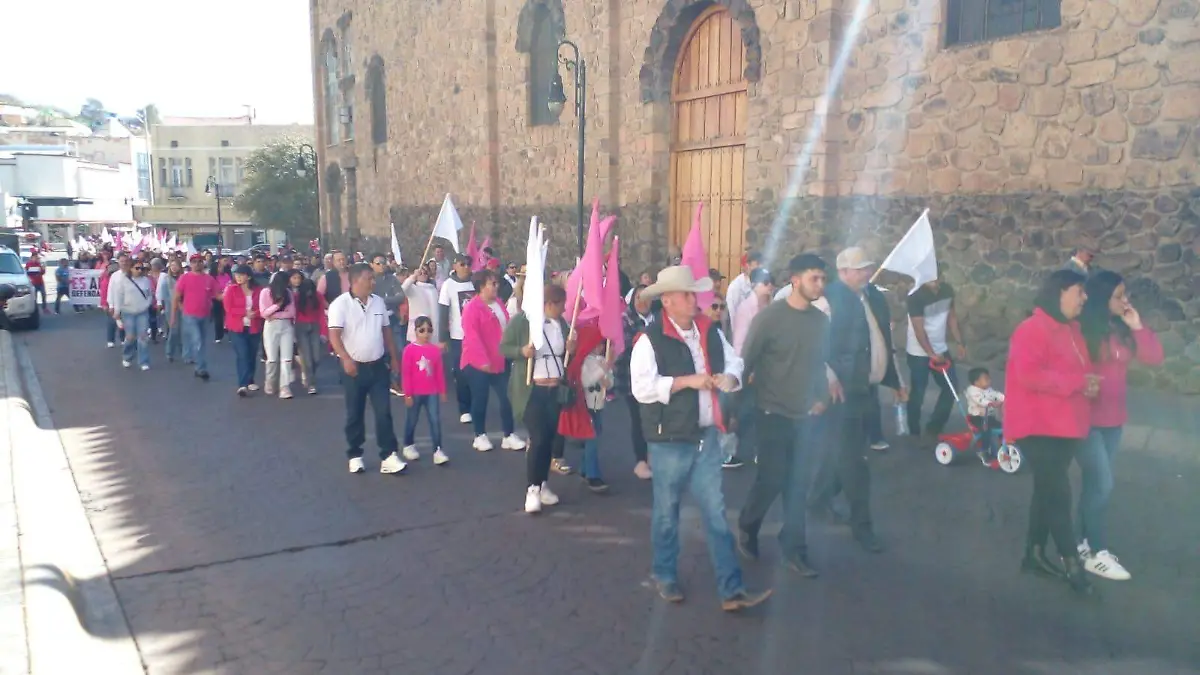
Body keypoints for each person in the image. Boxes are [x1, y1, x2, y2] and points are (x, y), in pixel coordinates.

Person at [629, 266, 770, 612]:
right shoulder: (649, 340)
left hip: (706, 436)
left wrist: (730, 379)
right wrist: (684, 382)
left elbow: (736, 362)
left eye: (695, 293)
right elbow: (642, 389)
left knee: (716, 514)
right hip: (670, 440)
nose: (695, 300)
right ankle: (665, 575)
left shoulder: (708, 330)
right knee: (667, 513)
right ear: (668, 300)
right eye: (688, 294)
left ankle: (731, 589)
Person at [735, 254, 830, 577]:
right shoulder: (770, 319)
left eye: (822, 278)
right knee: (773, 478)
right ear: (795, 279)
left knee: (798, 484)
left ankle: (794, 549)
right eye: (814, 278)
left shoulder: (820, 321)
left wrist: (821, 397)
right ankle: (747, 524)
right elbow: (745, 363)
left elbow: (818, 364)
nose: (820, 284)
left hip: (805, 416)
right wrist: (732, 409)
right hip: (770, 411)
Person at [1007, 269, 1097, 595]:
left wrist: (1088, 382)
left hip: (1063, 425)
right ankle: (1073, 564)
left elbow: (1079, 368)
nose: (1084, 298)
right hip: (1036, 426)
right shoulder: (1031, 329)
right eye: (1079, 292)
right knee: (1058, 493)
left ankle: (1032, 554)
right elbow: (1029, 375)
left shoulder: (1073, 328)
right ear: (1060, 293)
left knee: (1046, 490)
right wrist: (1077, 383)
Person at [810, 247, 904, 553]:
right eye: (860, 268)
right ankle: (862, 526)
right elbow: (813, 345)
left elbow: (882, 341)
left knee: (837, 454)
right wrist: (828, 377)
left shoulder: (872, 296)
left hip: (864, 389)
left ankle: (817, 501)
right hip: (841, 393)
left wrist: (895, 379)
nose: (866, 272)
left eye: (868, 267)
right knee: (855, 462)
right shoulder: (830, 299)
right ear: (844, 272)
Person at [1076, 270, 1163, 581]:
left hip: (1114, 420)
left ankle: (1080, 544)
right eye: (1119, 295)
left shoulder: (1120, 328)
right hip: (1085, 421)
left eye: (1125, 294)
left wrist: (1137, 326)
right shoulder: (1085, 330)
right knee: (1102, 484)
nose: (1125, 300)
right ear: (1102, 299)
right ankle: (1096, 552)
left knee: (1093, 486)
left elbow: (1153, 357)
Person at [327, 262, 406, 474]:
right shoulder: (340, 305)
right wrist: (344, 358)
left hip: (378, 365)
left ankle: (388, 454)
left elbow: (386, 331)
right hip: (353, 367)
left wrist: (395, 358)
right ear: (354, 281)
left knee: (384, 411)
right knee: (355, 412)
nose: (373, 282)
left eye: (373, 278)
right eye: (368, 278)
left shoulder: (378, 302)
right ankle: (355, 453)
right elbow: (334, 335)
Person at [501, 284, 573, 513]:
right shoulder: (524, 322)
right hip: (533, 391)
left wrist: (572, 347)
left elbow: (564, 355)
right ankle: (532, 488)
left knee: (550, 440)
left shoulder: (561, 325)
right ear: (549, 304)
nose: (563, 310)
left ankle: (543, 484)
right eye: (560, 306)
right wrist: (522, 352)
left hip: (555, 390)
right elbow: (504, 347)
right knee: (539, 438)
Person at [459, 269, 524, 452]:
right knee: (480, 399)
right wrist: (482, 360)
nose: (496, 287)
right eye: (492, 283)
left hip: (500, 360)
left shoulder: (499, 304)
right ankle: (479, 435)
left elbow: (508, 327)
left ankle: (508, 435)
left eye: (496, 283)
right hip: (477, 363)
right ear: (481, 287)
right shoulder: (472, 308)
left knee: (507, 397)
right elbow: (472, 337)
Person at [905, 270, 966, 439]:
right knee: (918, 391)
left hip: (941, 348)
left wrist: (959, 342)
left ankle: (934, 427)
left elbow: (951, 317)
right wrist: (931, 354)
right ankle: (913, 430)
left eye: (938, 276)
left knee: (951, 388)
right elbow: (919, 329)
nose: (935, 280)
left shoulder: (947, 290)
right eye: (931, 276)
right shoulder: (915, 296)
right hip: (918, 351)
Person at [617, 284, 655, 479]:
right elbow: (622, 349)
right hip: (633, 378)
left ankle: (651, 457)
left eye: (647, 297)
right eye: (639, 297)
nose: (643, 301)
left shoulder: (657, 320)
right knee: (638, 419)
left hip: (656, 377)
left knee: (654, 418)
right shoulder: (627, 320)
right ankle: (640, 460)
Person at [401, 315, 449, 466]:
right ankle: (408, 444)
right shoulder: (409, 350)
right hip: (415, 392)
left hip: (432, 392)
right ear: (415, 331)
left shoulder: (435, 351)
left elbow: (439, 373)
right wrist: (407, 393)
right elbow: (406, 374)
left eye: (429, 330)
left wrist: (442, 391)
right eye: (422, 330)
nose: (426, 334)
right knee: (412, 419)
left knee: (435, 420)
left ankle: (438, 449)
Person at [438, 254, 477, 424]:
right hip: (457, 336)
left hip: (476, 336)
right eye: (463, 264)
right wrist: (442, 337)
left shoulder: (476, 282)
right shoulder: (448, 285)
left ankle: (476, 405)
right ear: (455, 265)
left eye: (469, 264)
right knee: (461, 373)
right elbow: (443, 312)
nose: (466, 267)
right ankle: (464, 407)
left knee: (476, 373)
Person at [172, 253, 219, 380]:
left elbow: (218, 295)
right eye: (194, 262)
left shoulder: (209, 279)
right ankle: (201, 368)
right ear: (190, 264)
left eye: (199, 261)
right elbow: (176, 297)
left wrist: (232, 293)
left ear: (203, 263)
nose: (197, 264)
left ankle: (198, 365)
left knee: (202, 342)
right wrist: (173, 316)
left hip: (205, 315)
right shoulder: (184, 278)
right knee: (197, 340)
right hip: (189, 315)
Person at [224, 265, 265, 396]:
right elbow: (228, 308)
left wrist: (255, 314)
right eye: (237, 275)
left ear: (249, 276)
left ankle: (250, 379)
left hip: (254, 326)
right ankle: (242, 385)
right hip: (236, 327)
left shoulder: (259, 290)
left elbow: (264, 306)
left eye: (241, 275)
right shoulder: (231, 289)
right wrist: (244, 313)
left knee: (251, 354)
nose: (239, 278)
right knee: (242, 354)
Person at [371, 253, 406, 396]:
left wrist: (385, 300)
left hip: (392, 319)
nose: (381, 265)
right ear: (372, 264)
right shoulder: (369, 280)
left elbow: (400, 296)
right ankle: (376, 383)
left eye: (383, 262)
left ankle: (395, 381)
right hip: (374, 320)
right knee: (377, 352)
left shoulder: (392, 279)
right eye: (378, 263)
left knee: (398, 350)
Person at [110, 259, 154, 371]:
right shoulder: (123, 280)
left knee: (143, 337)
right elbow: (118, 297)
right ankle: (127, 356)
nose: (140, 270)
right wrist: (117, 312)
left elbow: (149, 294)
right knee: (130, 337)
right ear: (131, 268)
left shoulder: (146, 281)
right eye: (137, 268)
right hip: (128, 312)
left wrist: (147, 304)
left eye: (141, 268)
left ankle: (143, 361)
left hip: (142, 312)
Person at [260, 271, 297, 399]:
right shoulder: (265, 292)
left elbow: (291, 312)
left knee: (287, 358)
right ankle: (270, 381)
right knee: (272, 358)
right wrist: (277, 306)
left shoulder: (288, 293)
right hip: (271, 327)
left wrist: (275, 315)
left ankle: (284, 387)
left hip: (286, 326)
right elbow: (264, 313)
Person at [964, 367, 1005, 464]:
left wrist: (1004, 398)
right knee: (986, 431)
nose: (989, 380)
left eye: (989, 378)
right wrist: (990, 403)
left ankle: (1003, 446)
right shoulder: (972, 391)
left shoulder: (988, 389)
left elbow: (996, 394)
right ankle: (984, 450)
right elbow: (980, 400)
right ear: (976, 382)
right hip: (977, 417)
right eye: (986, 379)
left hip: (989, 417)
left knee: (1003, 427)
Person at [292, 271, 323, 395]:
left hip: (315, 326)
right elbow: (293, 314)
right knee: (307, 358)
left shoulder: (318, 296)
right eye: (307, 290)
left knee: (316, 358)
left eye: (311, 289)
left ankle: (310, 376)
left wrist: (324, 332)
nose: (309, 292)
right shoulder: (297, 298)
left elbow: (321, 313)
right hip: (301, 327)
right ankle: (311, 383)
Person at [401, 265, 439, 344]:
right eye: (420, 272)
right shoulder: (413, 288)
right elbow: (403, 288)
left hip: (432, 329)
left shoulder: (433, 289)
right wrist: (413, 276)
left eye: (425, 272)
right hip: (418, 328)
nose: (423, 273)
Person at [724, 252, 764, 322]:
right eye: (757, 264)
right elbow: (731, 313)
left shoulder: (762, 285)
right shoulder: (736, 287)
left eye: (762, 264)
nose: (760, 267)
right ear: (748, 265)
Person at [157, 259, 184, 363]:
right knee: (174, 330)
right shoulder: (166, 280)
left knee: (183, 331)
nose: (174, 267)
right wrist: (175, 303)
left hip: (184, 308)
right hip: (171, 308)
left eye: (175, 265)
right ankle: (170, 352)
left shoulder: (183, 278)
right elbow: (165, 296)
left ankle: (184, 352)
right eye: (172, 265)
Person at [209, 258, 232, 344]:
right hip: (216, 300)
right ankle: (218, 335)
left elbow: (230, 284)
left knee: (229, 317)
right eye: (219, 267)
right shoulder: (211, 278)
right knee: (218, 319)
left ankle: (231, 335)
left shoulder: (226, 275)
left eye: (222, 267)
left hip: (227, 298)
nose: (221, 269)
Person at [24, 249, 49, 313]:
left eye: (37, 257)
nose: (36, 258)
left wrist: (43, 268)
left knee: (44, 295)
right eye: (35, 257)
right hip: (33, 283)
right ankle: (35, 309)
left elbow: (42, 273)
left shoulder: (39, 264)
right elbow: (26, 272)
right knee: (35, 297)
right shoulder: (28, 264)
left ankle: (44, 308)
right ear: (32, 258)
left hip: (40, 282)